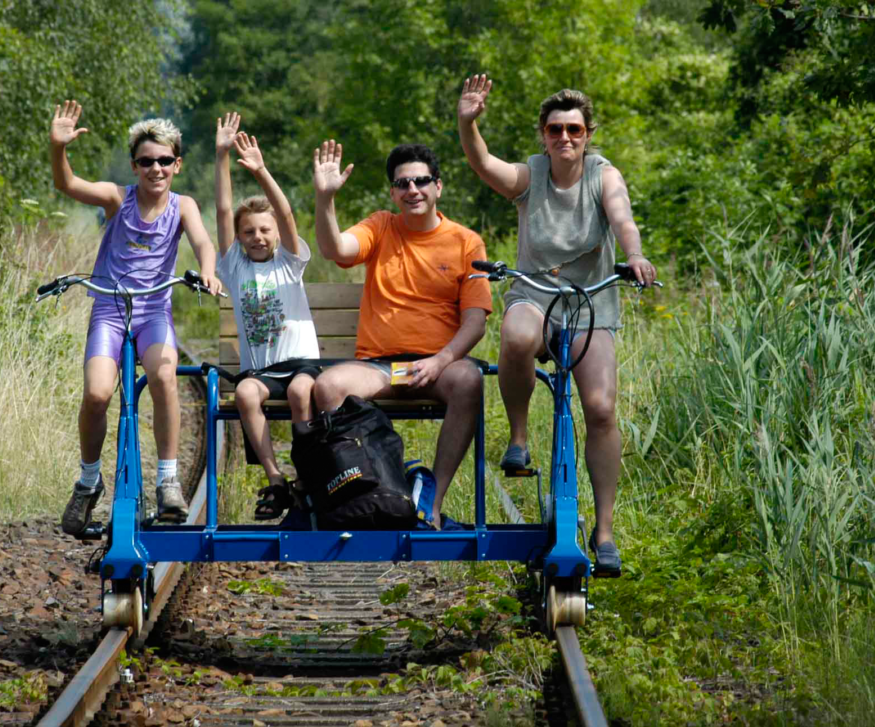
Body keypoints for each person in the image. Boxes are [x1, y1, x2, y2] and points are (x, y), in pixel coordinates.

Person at [457, 74, 657, 573]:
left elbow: (622, 217)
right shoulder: (532, 176)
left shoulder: (603, 175)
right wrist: (468, 122)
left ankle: (604, 531)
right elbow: (484, 165)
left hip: (590, 299)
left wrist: (633, 255)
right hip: (536, 293)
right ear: (542, 135)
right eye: (554, 130)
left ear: (588, 133)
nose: (564, 138)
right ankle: (519, 439)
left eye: (573, 129)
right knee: (517, 334)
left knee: (601, 407)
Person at [50, 100, 223, 536]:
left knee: (164, 377)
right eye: (146, 162)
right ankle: (89, 480)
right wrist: (58, 148)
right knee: (97, 393)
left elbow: (204, 242)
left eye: (165, 161)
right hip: (109, 308)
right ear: (135, 166)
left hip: (153, 309)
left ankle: (168, 479)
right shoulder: (117, 198)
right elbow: (68, 184)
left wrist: (207, 270)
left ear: (177, 164)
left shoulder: (183, 207)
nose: (156, 169)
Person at [311, 139, 492, 528]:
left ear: (438, 187)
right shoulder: (380, 226)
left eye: (422, 181)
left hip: (437, 367)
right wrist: (325, 199)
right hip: (381, 368)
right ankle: (361, 493)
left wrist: (440, 360)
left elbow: (475, 321)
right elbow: (336, 249)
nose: (413, 190)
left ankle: (432, 502)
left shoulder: (466, 242)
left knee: (470, 381)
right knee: (327, 387)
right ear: (393, 192)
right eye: (403, 184)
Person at [214, 113, 321, 519]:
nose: (257, 237)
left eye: (264, 230)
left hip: (300, 366)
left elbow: (287, 212)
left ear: (275, 234)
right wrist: (222, 155)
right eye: (248, 232)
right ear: (240, 238)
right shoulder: (235, 267)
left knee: (299, 393)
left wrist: (261, 171)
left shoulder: (290, 262)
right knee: (244, 394)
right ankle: (276, 480)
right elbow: (224, 210)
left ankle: (307, 477)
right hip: (261, 372)